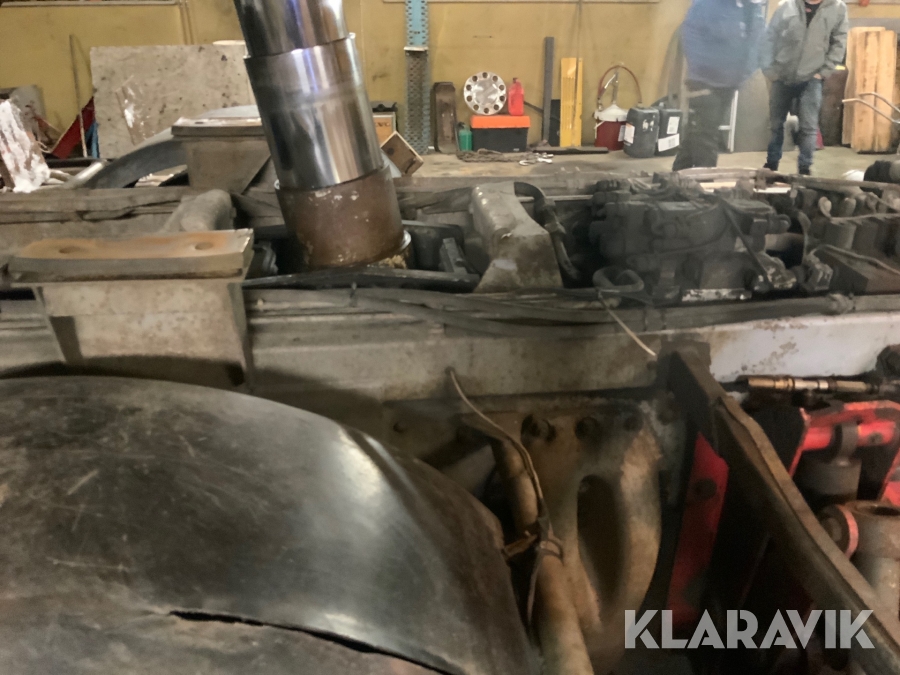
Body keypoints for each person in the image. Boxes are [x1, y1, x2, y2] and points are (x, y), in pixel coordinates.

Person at [673, 0, 766, 171]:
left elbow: (757, 42)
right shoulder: (708, 4)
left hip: (729, 83)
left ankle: (676, 177)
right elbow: (691, 34)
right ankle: (705, 183)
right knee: (706, 139)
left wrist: (745, 72)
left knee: (698, 134)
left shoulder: (752, 9)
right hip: (703, 82)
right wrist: (701, 69)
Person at [761, 0, 849, 175]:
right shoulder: (787, 5)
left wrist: (823, 72)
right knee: (776, 124)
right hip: (782, 75)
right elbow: (770, 36)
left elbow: (839, 43)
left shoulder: (838, 8)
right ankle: (771, 165)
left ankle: (804, 169)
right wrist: (769, 69)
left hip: (812, 78)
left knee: (808, 127)